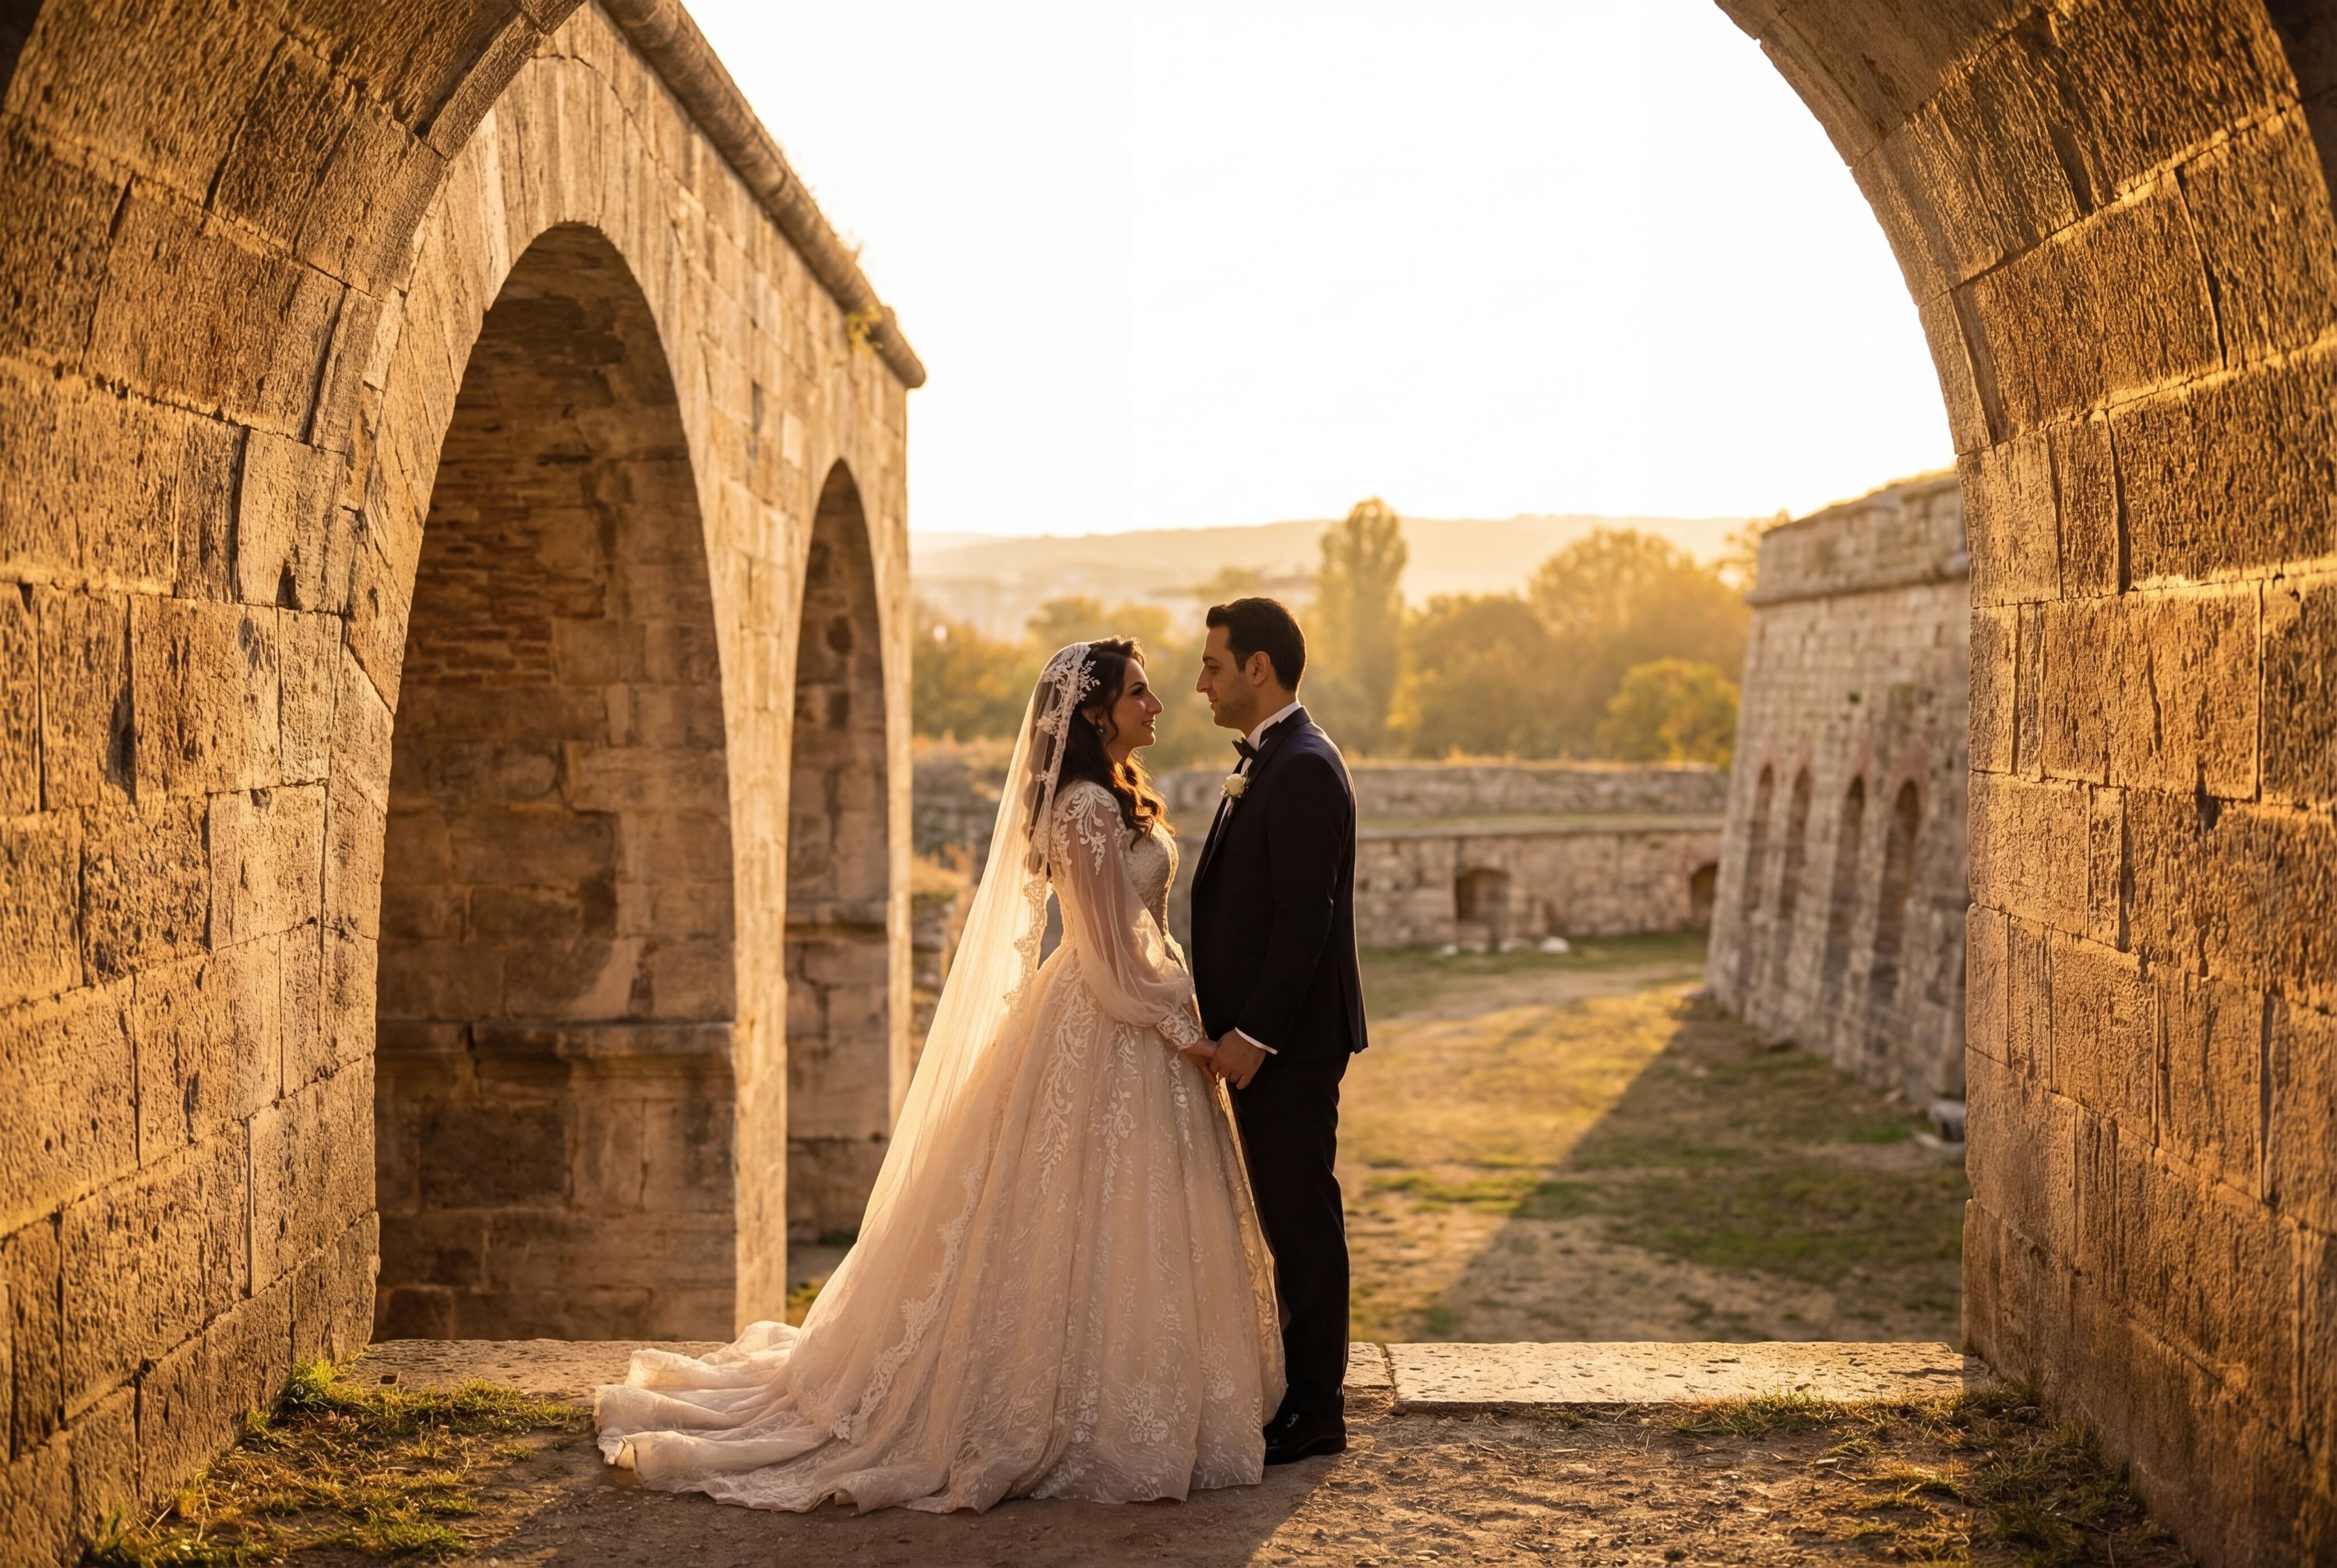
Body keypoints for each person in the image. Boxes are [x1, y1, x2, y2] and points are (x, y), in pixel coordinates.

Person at [594, 640, 1283, 1513]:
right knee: (1069, 1215)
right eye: (1141, 693)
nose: (1159, 704)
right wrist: (1193, 1034)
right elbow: (1112, 960)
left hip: (1130, 1016)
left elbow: (1134, 942)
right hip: (1109, 1019)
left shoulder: (1111, 797)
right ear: (1098, 712)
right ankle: (1059, 1406)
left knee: (1126, 1215)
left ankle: (1149, 1389)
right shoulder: (1080, 807)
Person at [1187, 597, 1369, 1464]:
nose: (1202, 682)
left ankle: (1316, 1410)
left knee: (1301, 1218)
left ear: (1259, 668)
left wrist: (1252, 1038)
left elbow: (1306, 920)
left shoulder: (1301, 766)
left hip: (1289, 1048)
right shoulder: (1274, 759)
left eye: (1214, 665)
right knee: (1285, 1216)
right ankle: (1298, 1395)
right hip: (1269, 1045)